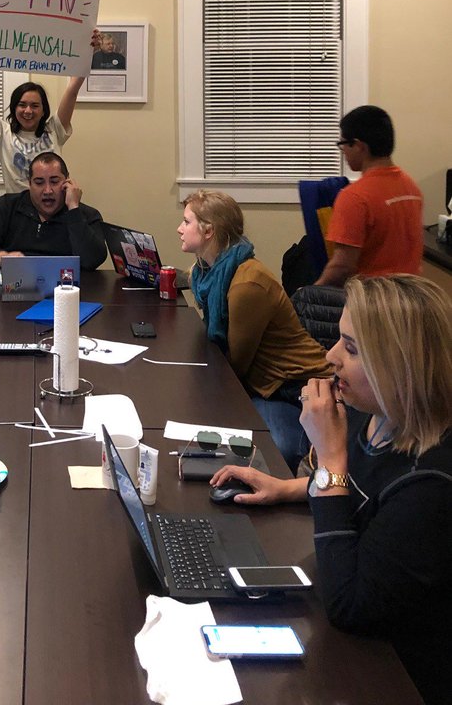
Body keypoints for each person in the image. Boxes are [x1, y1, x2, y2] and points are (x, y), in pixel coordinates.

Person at [211, 275, 452, 705]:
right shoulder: (374, 413)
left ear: (401, 365)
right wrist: (290, 487)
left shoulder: (432, 482)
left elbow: (350, 604)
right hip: (354, 637)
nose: (330, 356)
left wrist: (331, 459)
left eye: (352, 348)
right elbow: (363, 494)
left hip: (399, 671)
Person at [179, 190, 331, 468]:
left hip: (293, 385)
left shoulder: (246, 284)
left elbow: (236, 364)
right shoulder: (207, 272)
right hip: (265, 382)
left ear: (209, 230)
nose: (180, 229)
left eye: (187, 222)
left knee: (270, 451)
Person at [0, 29, 99, 193]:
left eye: (35, 106)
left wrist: (88, 52)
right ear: (14, 108)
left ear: (43, 110)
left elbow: (72, 90)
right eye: (22, 105)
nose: (28, 111)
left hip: (53, 205)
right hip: (18, 210)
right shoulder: (1, 134)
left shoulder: (55, 129)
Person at [316, 105, 423, 287]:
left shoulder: (354, 197)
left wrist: (310, 292)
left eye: (342, 145)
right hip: (411, 298)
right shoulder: (411, 188)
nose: (343, 153)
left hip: (374, 304)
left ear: (358, 146)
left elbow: (342, 266)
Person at [0, 152, 107, 271]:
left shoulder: (87, 215)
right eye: (39, 182)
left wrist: (73, 210)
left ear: (67, 182)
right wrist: (2, 257)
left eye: (54, 181)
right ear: (29, 184)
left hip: (66, 290)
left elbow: (92, 261)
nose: (47, 191)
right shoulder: (6, 206)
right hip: (14, 287)